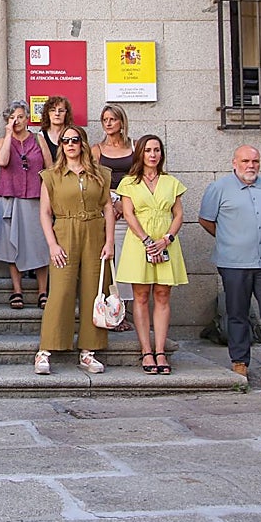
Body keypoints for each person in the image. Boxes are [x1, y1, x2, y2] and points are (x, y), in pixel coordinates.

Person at [199, 145, 261, 386]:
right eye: (245, 161)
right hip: (233, 263)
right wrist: (230, 240)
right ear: (234, 162)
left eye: (255, 161)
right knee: (237, 313)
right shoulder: (218, 188)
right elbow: (205, 220)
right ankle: (240, 362)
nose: (250, 166)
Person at [33, 125, 115, 376]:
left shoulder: (100, 174)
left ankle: (89, 351)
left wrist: (109, 241)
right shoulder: (51, 175)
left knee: (94, 290)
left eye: (74, 140)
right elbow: (45, 213)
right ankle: (46, 349)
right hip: (65, 231)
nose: (70, 144)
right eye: (65, 140)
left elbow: (108, 208)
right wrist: (52, 243)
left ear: (83, 143)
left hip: (94, 230)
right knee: (60, 291)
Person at [115, 135, 187, 376]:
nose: (153, 155)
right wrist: (147, 241)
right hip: (139, 243)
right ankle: (146, 350)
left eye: (157, 150)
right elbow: (128, 213)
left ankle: (160, 350)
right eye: (148, 150)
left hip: (166, 242)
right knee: (141, 295)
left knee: (163, 293)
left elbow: (178, 214)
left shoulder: (171, 182)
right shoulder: (129, 183)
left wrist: (166, 239)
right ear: (140, 154)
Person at [0, 101, 49, 311]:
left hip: (35, 198)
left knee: (40, 244)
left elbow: (49, 168)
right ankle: (17, 290)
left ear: (27, 119)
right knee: (11, 246)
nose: (17, 121)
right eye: (12, 117)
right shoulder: (1, 141)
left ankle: (43, 291)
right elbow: (3, 161)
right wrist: (8, 135)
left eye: (20, 117)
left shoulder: (38, 139)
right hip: (10, 198)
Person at [92, 103, 136, 329]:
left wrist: (126, 201)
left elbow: (141, 177)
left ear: (121, 122)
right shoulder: (97, 150)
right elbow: (94, 182)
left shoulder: (135, 147)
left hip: (133, 207)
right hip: (108, 207)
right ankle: (112, 309)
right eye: (105, 120)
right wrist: (113, 202)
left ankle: (127, 311)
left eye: (112, 119)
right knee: (112, 259)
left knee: (129, 259)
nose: (108, 123)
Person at [35, 95, 73, 165]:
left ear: (66, 114)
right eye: (53, 110)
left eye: (61, 111)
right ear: (47, 113)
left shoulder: (73, 135)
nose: (57, 114)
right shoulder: (41, 136)